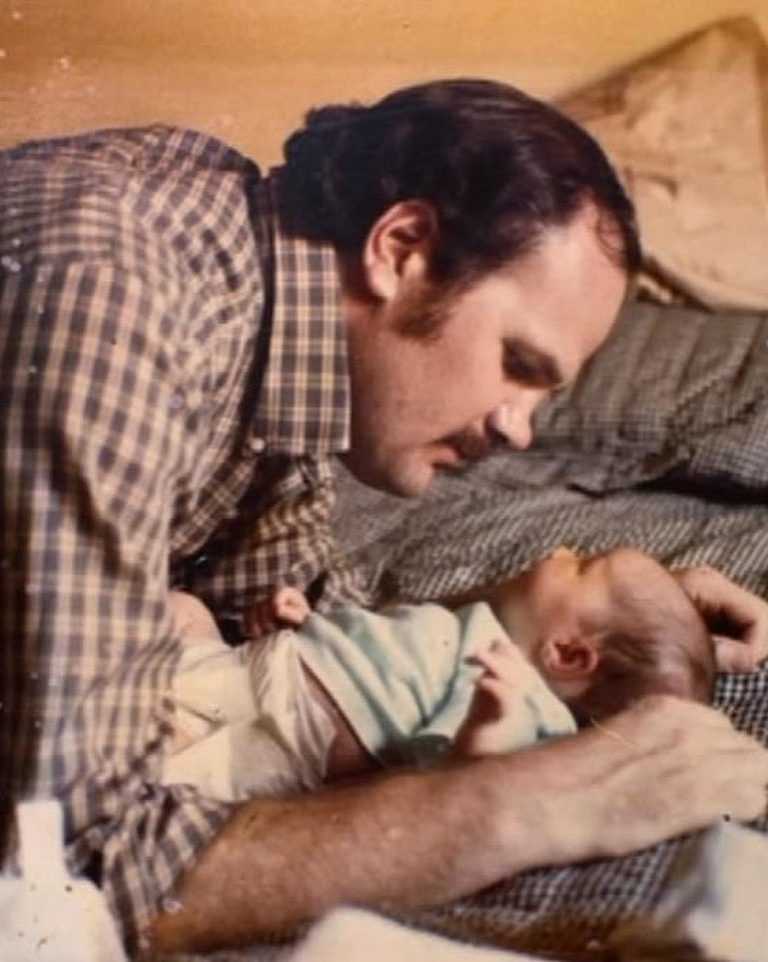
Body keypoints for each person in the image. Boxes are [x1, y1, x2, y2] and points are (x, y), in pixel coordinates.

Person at [2, 78, 768, 957]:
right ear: (400, 247)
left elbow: (319, 631)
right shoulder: (112, 307)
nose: (518, 429)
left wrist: (627, 620)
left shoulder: (283, 316)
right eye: (518, 364)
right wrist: (553, 797)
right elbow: (70, 865)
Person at [163, 546, 718, 801]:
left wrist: (485, 735)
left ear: (569, 655)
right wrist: (304, 624)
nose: (561, 548)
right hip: (259, 671)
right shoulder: (474, 629)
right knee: (182, 609)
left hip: (282, 738)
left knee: (169, 758)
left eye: (581, 566)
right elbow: (373, 654)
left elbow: (457, 785)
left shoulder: (518, 699)